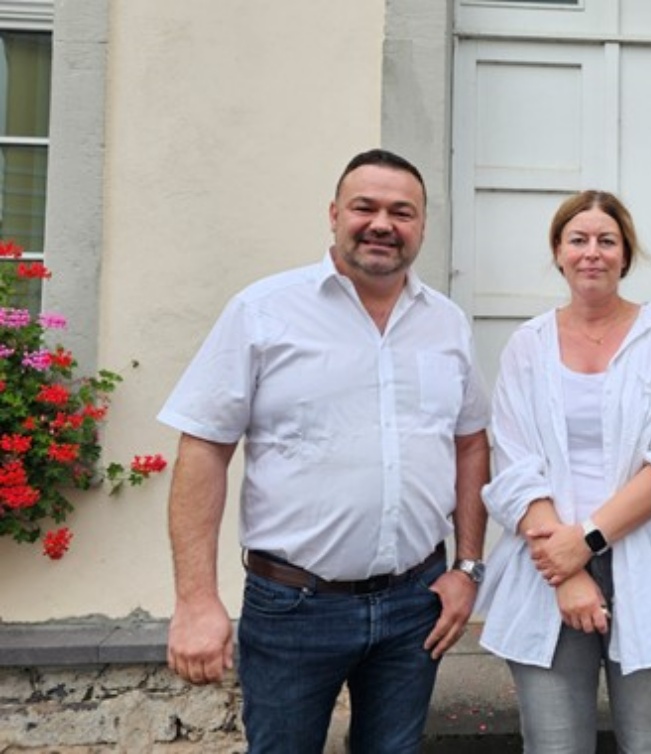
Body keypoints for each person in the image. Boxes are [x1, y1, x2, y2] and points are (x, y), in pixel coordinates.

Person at [158, 149, 491, 754]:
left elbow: (470, 443)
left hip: (415, 603)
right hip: (294, 607)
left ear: (421, 226)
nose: (382, 224)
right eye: (365, 207)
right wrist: (196, 600)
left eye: (402, 212)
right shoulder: (263, 313)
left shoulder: (446, 324)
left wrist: (468, 568)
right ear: (335, 213)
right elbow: (204, 447)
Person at [476, 190, 651, 753]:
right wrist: (567, 568)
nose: (592, 253)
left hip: (650, 568)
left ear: (625, 255)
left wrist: (588, 539)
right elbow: (513, 463)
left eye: (607, 241)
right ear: (557, 252)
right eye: (577, 239)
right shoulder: (527, 346)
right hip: (545, 575)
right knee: (555, 748)